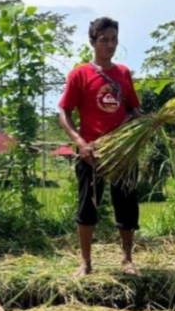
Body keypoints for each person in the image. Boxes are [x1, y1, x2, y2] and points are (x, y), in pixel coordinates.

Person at [58, 17, 142, 276]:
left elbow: (133, 108)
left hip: (122, 152)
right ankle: (85, 262)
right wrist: (80, 143)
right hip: (92, 153)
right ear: (93, 42)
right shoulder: (80, 74)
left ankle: (127, 259)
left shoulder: (124, 73)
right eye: (104, 40)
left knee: (127, 204)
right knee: (87, 206)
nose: (110, 45)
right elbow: (64, 110)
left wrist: (147, 123)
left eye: (114, 39)